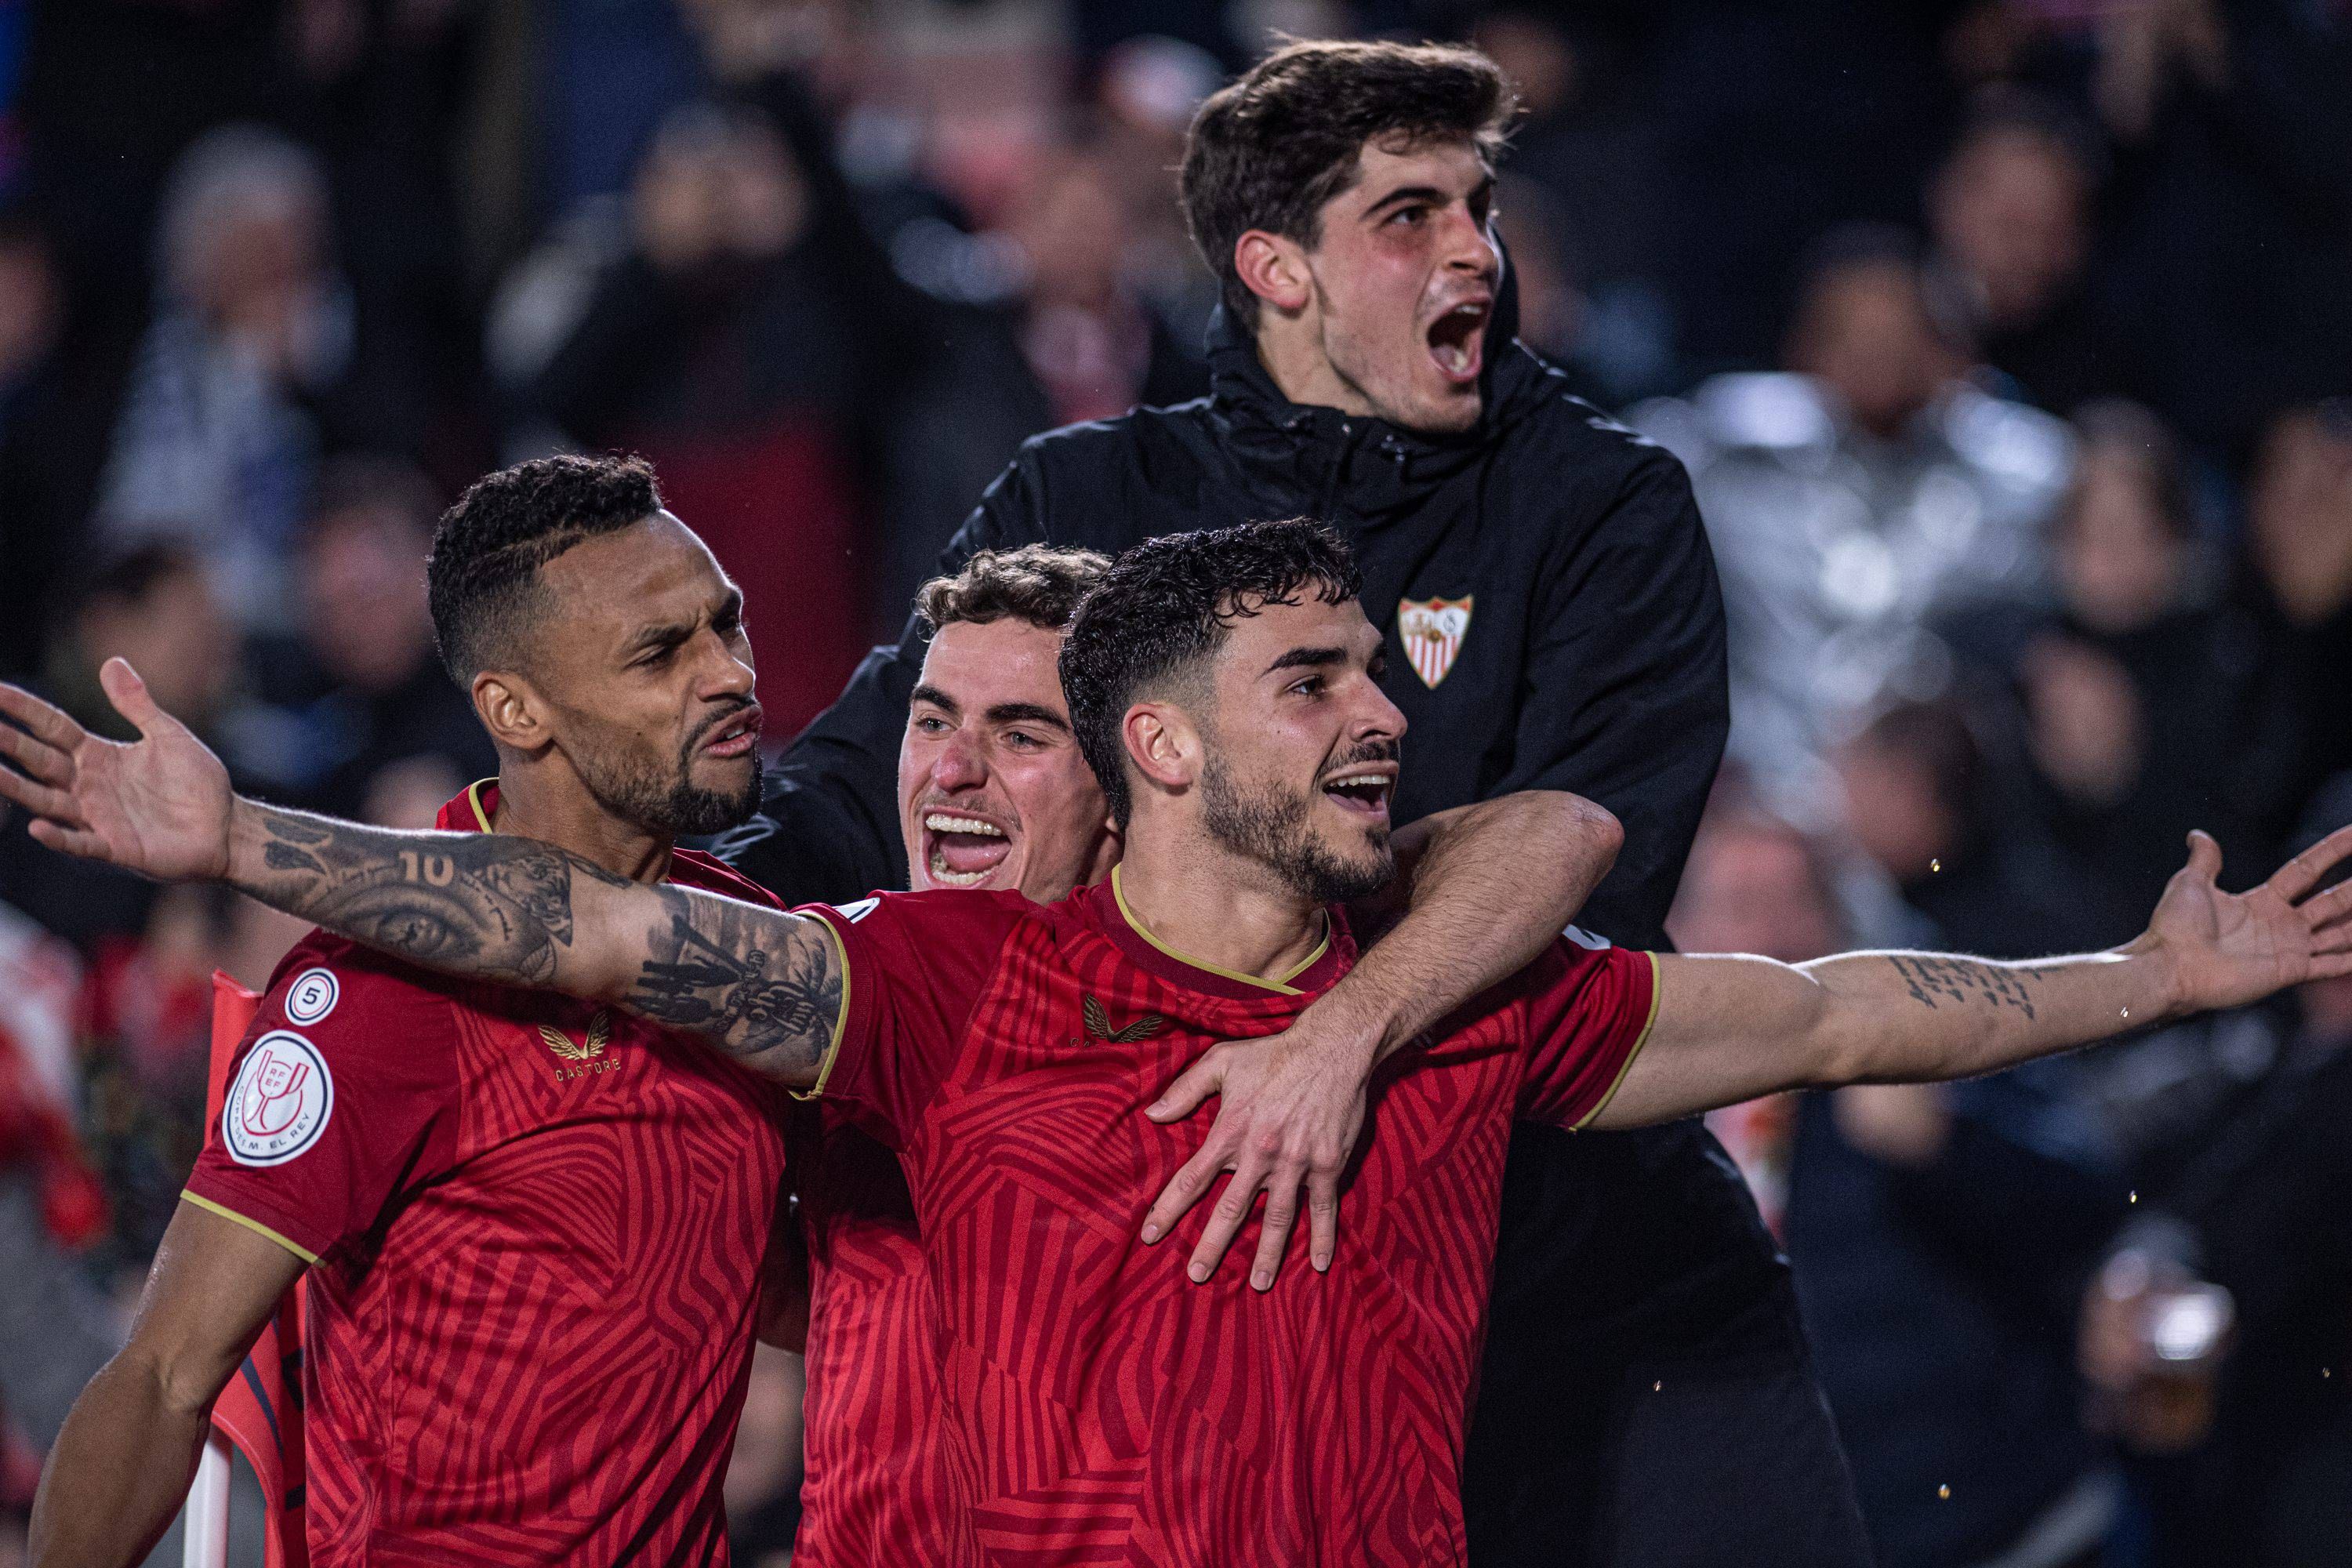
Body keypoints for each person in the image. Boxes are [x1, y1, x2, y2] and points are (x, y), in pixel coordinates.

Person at [12, 520, 2350, 1568]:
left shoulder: (1450, 1016)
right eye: (1316, 684)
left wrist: (2147, 980)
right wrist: (270, 844)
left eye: (1373, 673)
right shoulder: (921, 999)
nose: (1380, 719)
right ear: (1164, 744)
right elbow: (592, 931)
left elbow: (1829, 1014)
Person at [7, 460, 1613, 1567]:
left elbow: (788, 1284)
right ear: (517, 708)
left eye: (725, 623)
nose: (728, 670)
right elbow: (160, 1384)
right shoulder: (374, 997)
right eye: (662, 649)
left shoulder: (781, 965)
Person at [719, 41, 1817, 1563]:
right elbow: (846, 800)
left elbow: (1580, 863)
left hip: (1593, 1294)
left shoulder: (1602, 507)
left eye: (1477, 209)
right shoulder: (1084, 500)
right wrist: (631, 947)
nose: (1471, 253)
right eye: (1409, 214)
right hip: (1240, 1301)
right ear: (1273, 266)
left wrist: (1335, 1035)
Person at [776, 540, 1617, 1563]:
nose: (952, 769)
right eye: (930, 721)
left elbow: (1562, 829)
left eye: (1021, 732)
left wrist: (1346, 1030)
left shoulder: (1346, 988)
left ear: (1141, 765)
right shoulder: (859, 978)